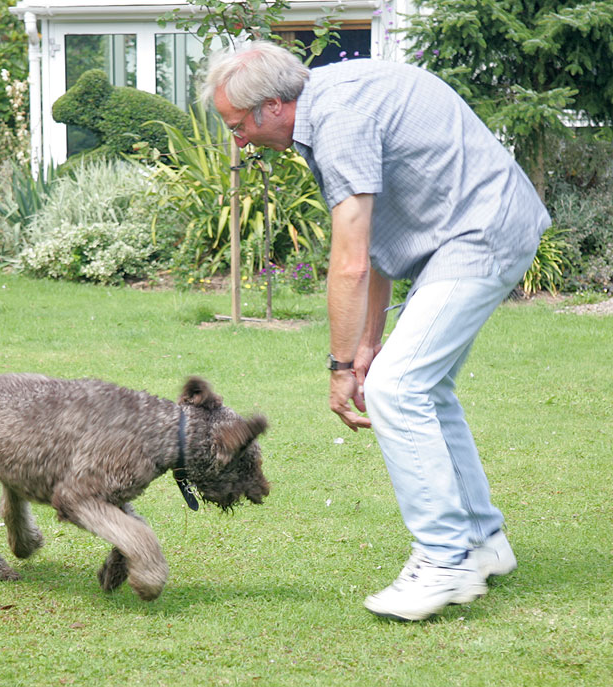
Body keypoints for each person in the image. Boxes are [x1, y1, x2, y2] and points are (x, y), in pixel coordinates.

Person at [202, 41, 550, 621]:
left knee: (397, 387)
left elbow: (351, 262)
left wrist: (342, 370)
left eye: (238, 126)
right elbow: (379, 245)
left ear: (274, 107)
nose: (238, 141)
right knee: (420, 385)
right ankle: (483, 543)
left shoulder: (339, 120)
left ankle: (443, 560)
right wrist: (365, 344)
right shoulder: (334, 104)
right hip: (468, 232)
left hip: (481, 232)